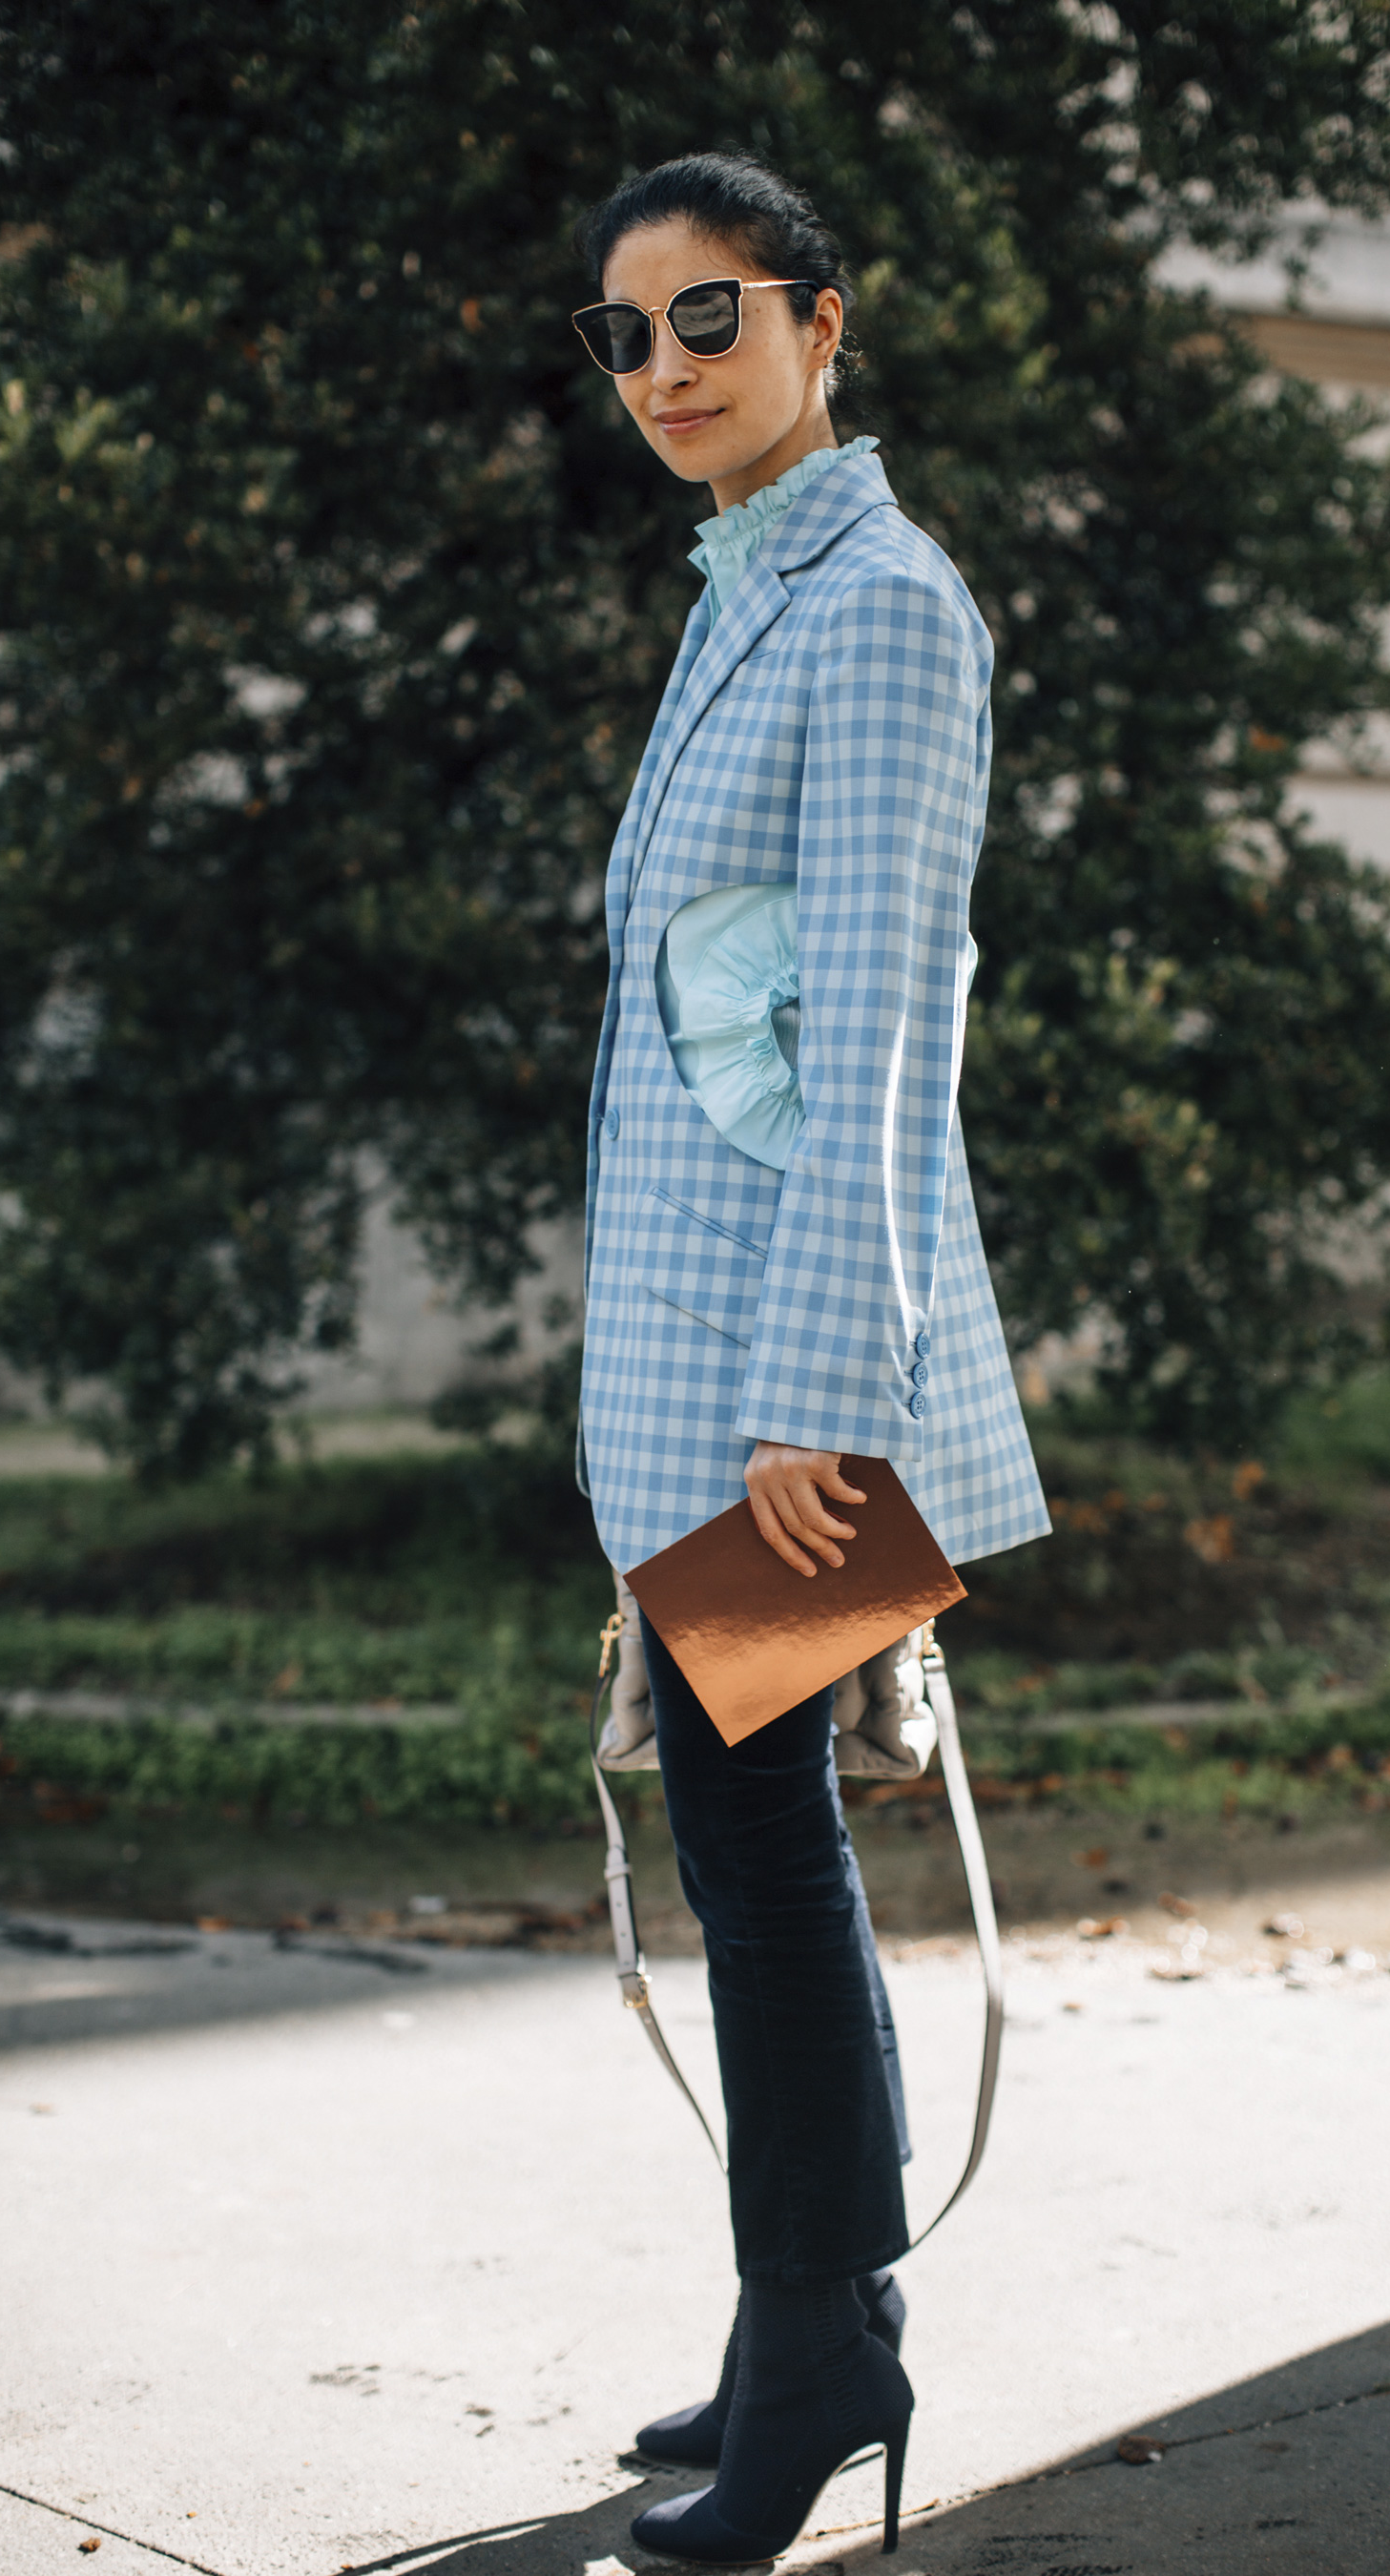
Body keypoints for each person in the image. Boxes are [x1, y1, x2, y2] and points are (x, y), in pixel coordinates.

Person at [571, 152, 1049, 2564]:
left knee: (762, 1866)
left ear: (820, 326)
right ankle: (806, 2329)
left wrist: (820, 1401)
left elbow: (875, 1028)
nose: (665, 367)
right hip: (700, 1360)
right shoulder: (745, 587)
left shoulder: (880, 609)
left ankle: (828, 2352)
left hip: (796, 1381)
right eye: (626, 333)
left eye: (712, 315)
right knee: (748, 1843)